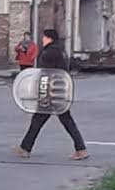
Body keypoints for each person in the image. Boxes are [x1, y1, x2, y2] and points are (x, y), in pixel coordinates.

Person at [16, 28, 88, 160]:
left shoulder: (49, 52)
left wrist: (40, 90)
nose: (42, 39)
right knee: (54, 120)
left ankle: (25, 148)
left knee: (41, 120)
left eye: (44, 37)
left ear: (49, 38)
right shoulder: (59, 51)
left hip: (51, 92)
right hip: (59, 91)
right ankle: (24, 148)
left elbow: (46, 73)